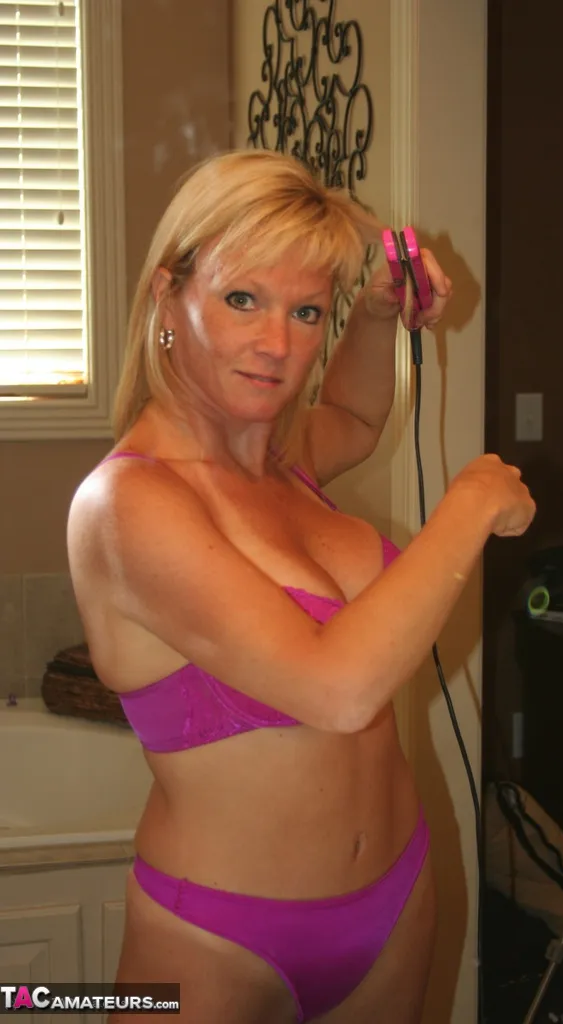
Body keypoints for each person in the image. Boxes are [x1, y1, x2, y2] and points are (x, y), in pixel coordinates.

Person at [67, 148, 535, 1024]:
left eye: (306, 311)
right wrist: (469, 504)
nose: (277, 345)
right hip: (217, 938)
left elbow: (355, 415)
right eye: (242, 299)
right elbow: (337, 689)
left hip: (393, 895)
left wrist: (375, 307)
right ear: (169, 296)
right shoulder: (127, 505)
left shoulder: (276, 457)